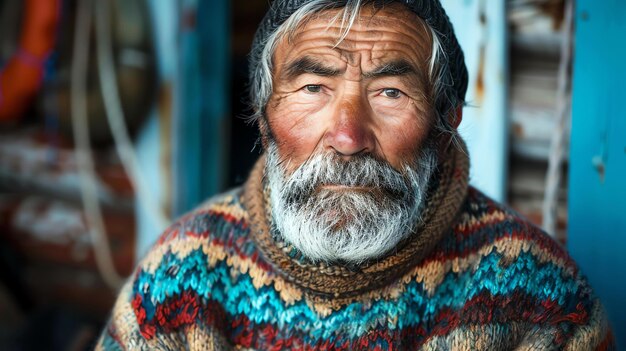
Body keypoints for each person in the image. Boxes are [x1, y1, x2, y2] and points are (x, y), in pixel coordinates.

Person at [97, 0, 614, 349]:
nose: (347, 137)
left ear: (446, 123)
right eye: (312, 89)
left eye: (390, 93)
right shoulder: (181, 273)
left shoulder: (538, 296)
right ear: (264, 116)